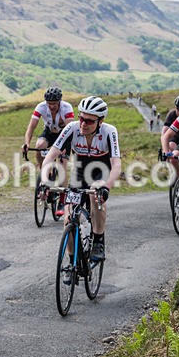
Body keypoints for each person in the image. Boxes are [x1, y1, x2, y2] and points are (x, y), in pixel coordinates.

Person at [44, 96, 121, 262]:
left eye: (89, 121)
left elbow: (116, 164)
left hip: (100, 173)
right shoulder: (72, 128)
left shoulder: (109, 131)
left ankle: (98, 240)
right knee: (68, 218)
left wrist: (107, 187)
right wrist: (45, 181)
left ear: (100, 121)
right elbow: (50, 155)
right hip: (79, 174)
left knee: (96, 193)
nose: (83, 124)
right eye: (81, 118)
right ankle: (72, 262)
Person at [22, 87, 75, 170]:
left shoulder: (67, 107)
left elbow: (69, 128)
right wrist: (27, 144)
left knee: (62, 167)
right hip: (49, 132)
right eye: (49, 103)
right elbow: (31, 128)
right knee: (39, 146)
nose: (51, 106)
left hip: (64, 134)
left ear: (59, 102)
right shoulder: (41, 107)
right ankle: (42, 171)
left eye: (54, 103)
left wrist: (63, 146)